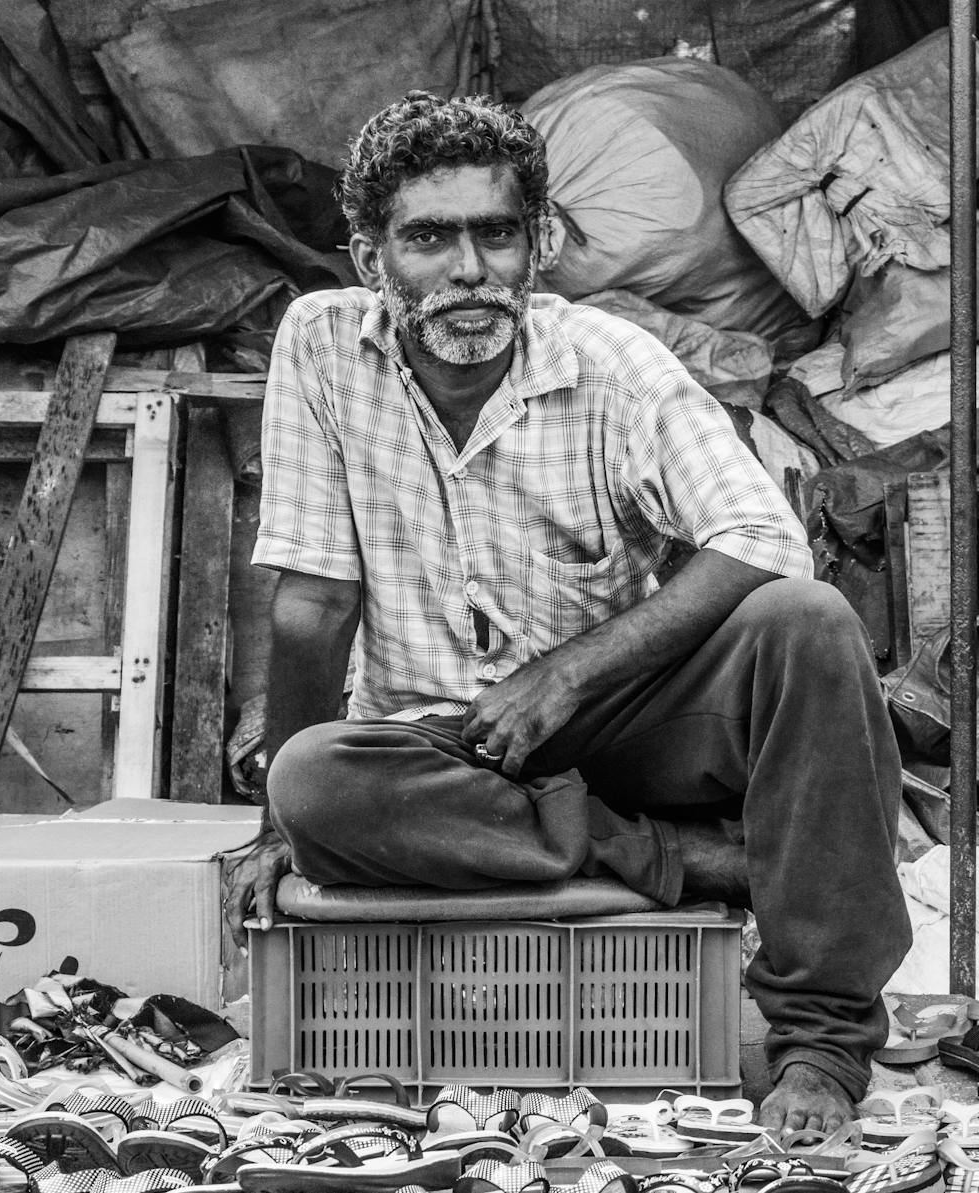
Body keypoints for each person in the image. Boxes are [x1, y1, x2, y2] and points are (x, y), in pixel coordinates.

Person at [221, 91, 910, 1131]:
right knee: (315, 777)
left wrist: (567, 673)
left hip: (617, 721)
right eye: (428, 239)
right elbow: (314, 601)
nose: (469, 270)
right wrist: (281, 828)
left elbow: (762, 536)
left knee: (808, 621)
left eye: (496, 235)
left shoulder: (611, 360)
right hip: (439, 748)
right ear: (371, 258)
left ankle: (821, 1041)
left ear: (536, 245)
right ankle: (677, 857)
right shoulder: (319, 345)